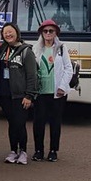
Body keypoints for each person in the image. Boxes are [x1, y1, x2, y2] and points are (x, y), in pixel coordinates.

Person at [0, 22, 38, 165]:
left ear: (17, 32)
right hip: (5, 95)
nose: (8, 34)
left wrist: (29, 95)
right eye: (5, 33)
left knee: (20, 123)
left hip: (20, 95)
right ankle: (13, 151)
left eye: (10, 31)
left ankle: (23, 151)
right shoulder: (2, 50)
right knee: (12, 124)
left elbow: (32, 75)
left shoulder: (26, 51)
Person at [32, 19, 73, 162]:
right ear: (41, 33)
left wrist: (62, 86)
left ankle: (53, 150)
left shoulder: (61, 48)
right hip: (40, 92)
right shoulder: (36, 49)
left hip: (57, 93)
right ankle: (38, 150)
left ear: (56, 33)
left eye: (51, 31)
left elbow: (68, 68)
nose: (48, 33)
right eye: (45, 31)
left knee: (55, 123)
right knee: (38, 122)